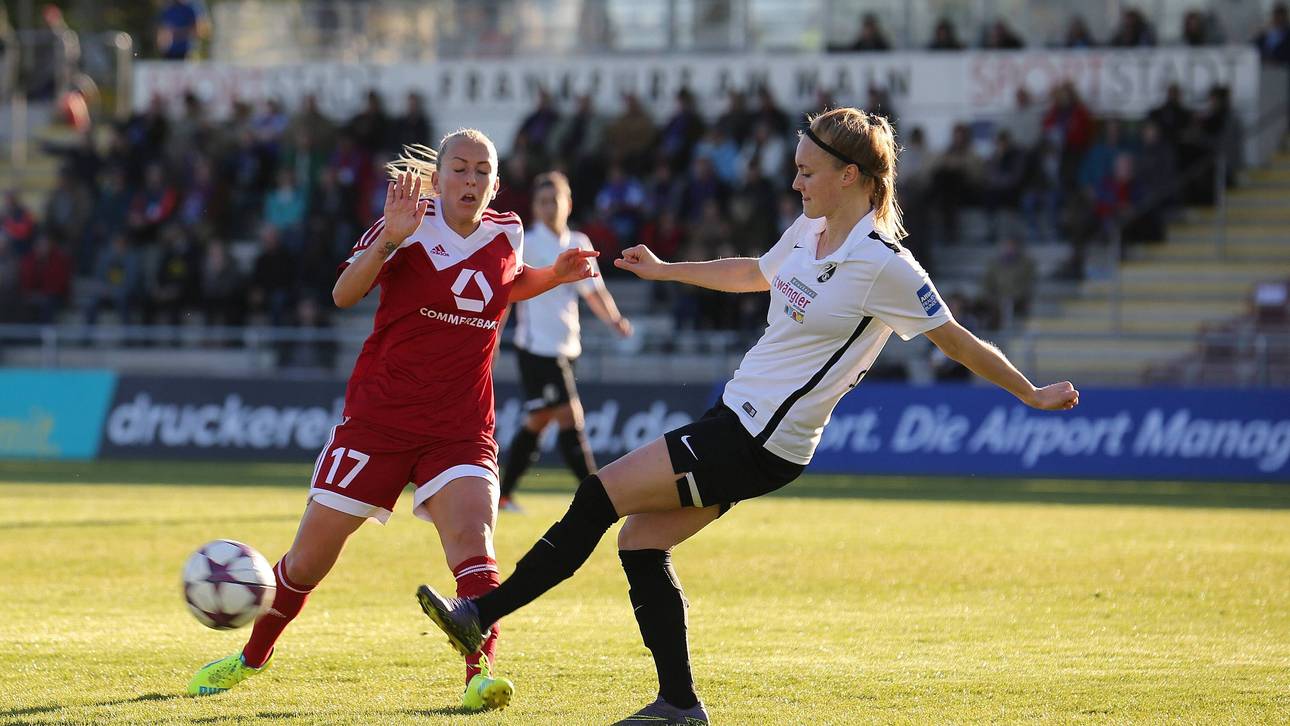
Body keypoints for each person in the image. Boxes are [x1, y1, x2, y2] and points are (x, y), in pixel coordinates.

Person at [416, 108, 1081, 724]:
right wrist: (668, 271)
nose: (795, 183)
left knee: (598, 494)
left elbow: (956, 339)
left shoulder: (885, 265)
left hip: (760, 438)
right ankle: (679, 705)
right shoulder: (811, 230)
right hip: (737, 418)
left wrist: (1029, 393)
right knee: (639, 542)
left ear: (850, 176)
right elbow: (755, 273)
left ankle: (480, 614)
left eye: (807, 172)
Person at [186, 130, 600, 712]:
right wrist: (389, 239)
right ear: (439, 175)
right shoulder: (407, 223)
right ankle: (251, 657)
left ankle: (479, 676)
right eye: (460, 168)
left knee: (474, 543)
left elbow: (505, 285)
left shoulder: (506, 231)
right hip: (378, 424)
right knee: (306, 562)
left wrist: (553, 274)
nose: (471, 180)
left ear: (496, 184)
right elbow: (342, 294)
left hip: (460, 428)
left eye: (482, 171)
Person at [499, 171, 633, 513]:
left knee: (539, 420)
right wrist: (495, 336)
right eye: (542, 202)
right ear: (534, 207)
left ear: (568, 204)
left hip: (567, 346)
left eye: (554, 201)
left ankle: (502, 494)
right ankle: (598, 496)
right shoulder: (527, 242)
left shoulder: (579, 242)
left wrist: (615, 320)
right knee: (570, 417)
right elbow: (507, 293)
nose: (548, 208)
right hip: (536, 349)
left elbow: (594, 291)